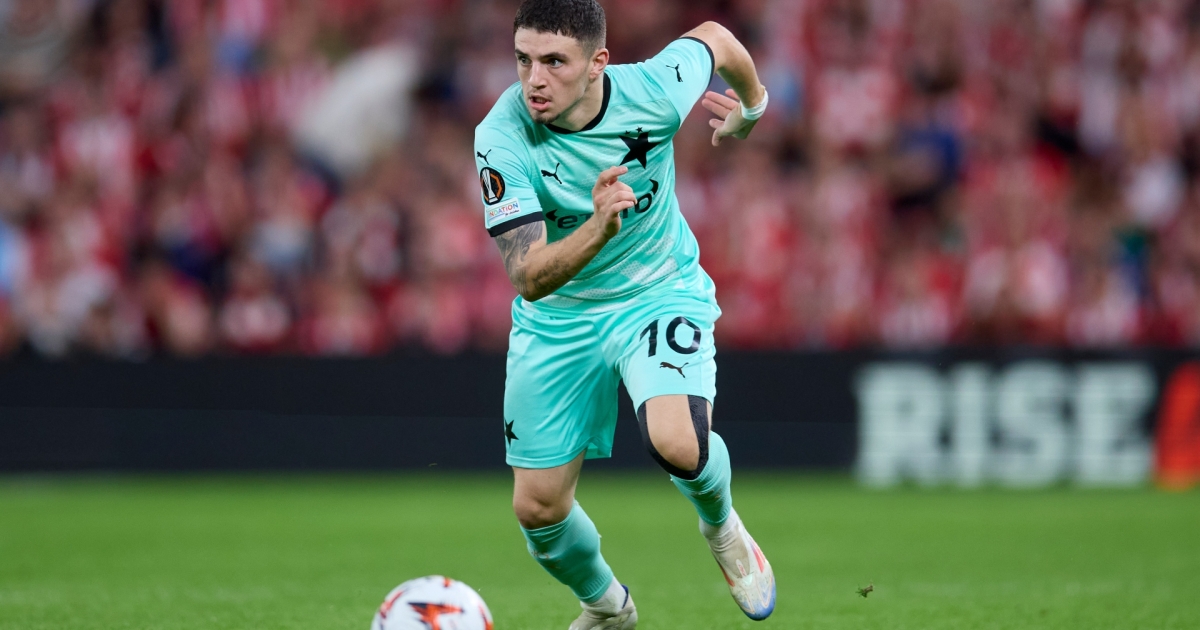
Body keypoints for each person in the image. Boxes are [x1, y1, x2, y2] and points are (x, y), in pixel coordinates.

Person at [473, 1, 774, 627]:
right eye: (524, 60)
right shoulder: (500, 136)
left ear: (597, 63)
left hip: (656, 290)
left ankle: (722, 527)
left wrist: (751, 108)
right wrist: (597, 227)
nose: (534, 80)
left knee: (677, 441)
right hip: (558, 316)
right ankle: (608, 607)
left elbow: (716, 38)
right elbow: (528, 276)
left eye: (555, 61)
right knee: (538, 510)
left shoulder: (654, 91)